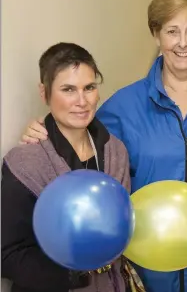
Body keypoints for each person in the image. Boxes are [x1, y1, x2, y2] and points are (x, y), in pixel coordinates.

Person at [18, 0, 187, 292]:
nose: (183, 43)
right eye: (172, 31)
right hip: (143, 276)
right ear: (156, 36)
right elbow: (78, 139)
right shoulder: (121, 108)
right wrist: (43, 129)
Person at [1, 42, 135, 292]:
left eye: (89, 87)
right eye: (68, 89)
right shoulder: (24, 162)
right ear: (44, 93)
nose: (82, 101)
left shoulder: (116, 150)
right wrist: (75, 273)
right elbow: (8, 254)